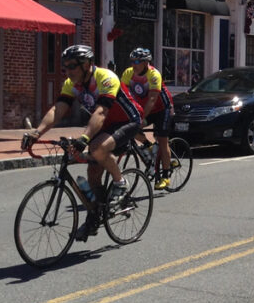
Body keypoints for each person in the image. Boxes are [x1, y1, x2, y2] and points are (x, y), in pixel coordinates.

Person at [23, 45, 143, 240]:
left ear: (87, 64)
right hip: (103, 126)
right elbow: (58, 110)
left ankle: (120, 182)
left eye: (72, 66)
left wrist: (84, 138)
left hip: (127, 121)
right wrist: (36, 133)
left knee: (97, 149)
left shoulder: (106, 78)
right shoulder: (72, 83)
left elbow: (101, 112)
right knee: (93, 174)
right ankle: (95, 217)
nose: (68, 72)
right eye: (65, 67)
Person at [120, 47, 175, 190]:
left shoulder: (154, 74)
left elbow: (152, 99)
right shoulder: (128, 73)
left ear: (146, 63)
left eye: (137, 61)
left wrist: (141, 119)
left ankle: (166, 176)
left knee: (163, 140)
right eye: (132, 61)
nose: (134, 64)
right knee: (130, 129)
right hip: (145, 108)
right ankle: (148, 146)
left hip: (163, 109)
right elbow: (122, 95)